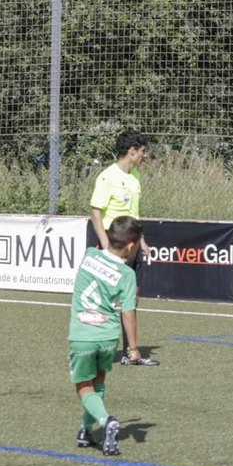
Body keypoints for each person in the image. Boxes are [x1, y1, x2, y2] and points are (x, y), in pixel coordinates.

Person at [69, 216, 144, 455]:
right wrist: (133, 349)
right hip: (108, 336)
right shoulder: (127, 274)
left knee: (83, 385)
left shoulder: (89, 255)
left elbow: (100, 234)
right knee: (98, 382)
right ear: (131, 246)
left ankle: (105, 421)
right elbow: (128, 312)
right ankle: (86, 431)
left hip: (83, 334)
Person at [89, 129, 159, 366]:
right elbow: (96, 212)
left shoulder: (135, 177)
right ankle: (98, 348)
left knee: (133, 298)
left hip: (133, 245)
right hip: (115, 245)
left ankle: (132, 353)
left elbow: (134, 215)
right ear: (132, 151)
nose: (144, 155)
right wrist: (105, 243)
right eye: (142, 151)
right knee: (106, 300)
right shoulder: (107, 177)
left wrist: (142, 241)